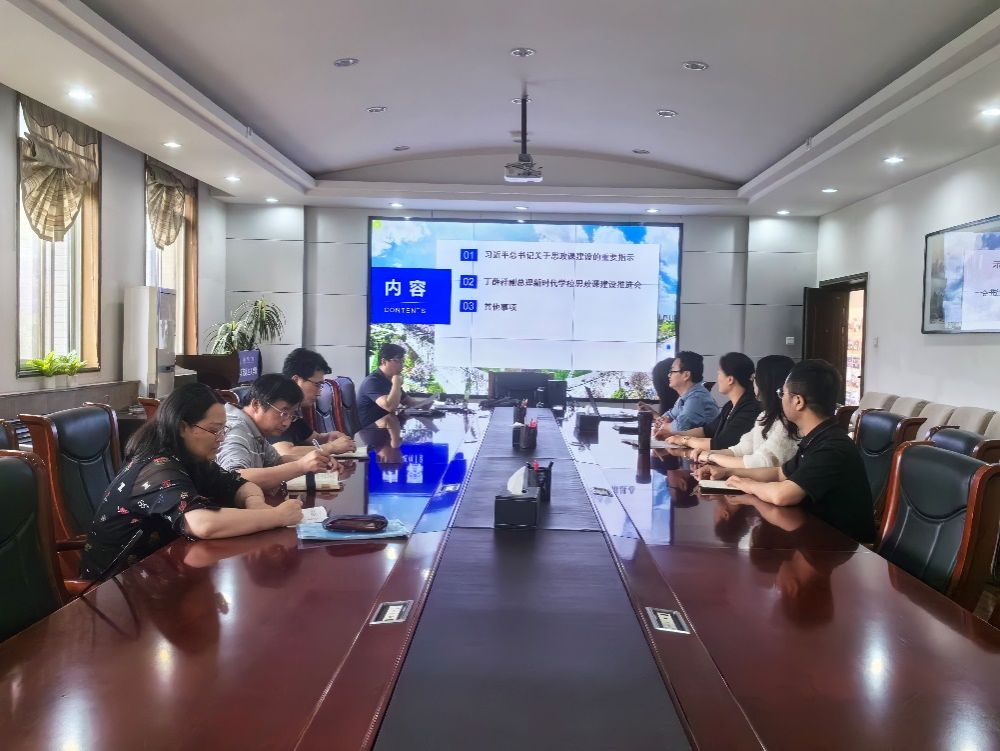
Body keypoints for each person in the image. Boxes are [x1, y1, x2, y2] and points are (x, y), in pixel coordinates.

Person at [79, 383, 303, 580]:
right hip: (115, 588)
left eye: (223, 430)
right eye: (214, 430)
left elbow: (241, 484)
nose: (221, 439)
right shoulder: (156, 467)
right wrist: (277, 516)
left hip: (161, 572)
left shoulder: (194, 458)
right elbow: (202, 523)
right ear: (182, 427)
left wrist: (256, 505)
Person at [705, 359, 875, 544]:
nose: (780, 398)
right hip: (819, 536)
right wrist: (728, 472)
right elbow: (779, 473)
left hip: (844, 546)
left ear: (798, 401)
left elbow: (783, 495)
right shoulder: (816, 437)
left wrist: (748, 485)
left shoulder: (832, 446)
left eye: (782, 393)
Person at [216, 373, 336, 491]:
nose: (286, 423)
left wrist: (319, 460)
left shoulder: (253, 429)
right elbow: (234, 478)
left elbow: (276, 462)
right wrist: (301, 466)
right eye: (283, 413)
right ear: (256, 404)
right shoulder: (235, 429)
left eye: (291, 415)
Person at [690, 355, 799, 470]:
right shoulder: (764, 415)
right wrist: (709, 454)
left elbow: (762, 462)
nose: (753, 381)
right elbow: (741, 449)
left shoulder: (786, 421)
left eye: (756, 377)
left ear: (766, 382)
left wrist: (711, 456)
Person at [665, 352, 760, 451]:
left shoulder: (749, 409)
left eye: (719, 373)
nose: (717, 379)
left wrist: (684, 440)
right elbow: (707, 430)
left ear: (730, 379)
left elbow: (721, 443)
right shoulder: (730, 406)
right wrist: (674, 435)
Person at [270, 347, 356, 456]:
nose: (319, 393)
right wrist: (332, 447)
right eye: (317, 385)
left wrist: (328, 437)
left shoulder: (294, 412)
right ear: (296, 380)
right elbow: (284, 452)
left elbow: (315, 438)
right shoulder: (276, 406)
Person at [357, 343, 433, 428]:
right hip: (371, 430)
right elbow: (390, 407)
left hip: (387, 426)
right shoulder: (372, 381)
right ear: (384, 361)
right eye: (398, 361)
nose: (402, 365)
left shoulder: (390, 379)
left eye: (402, 361)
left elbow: (409, 402)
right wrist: (396, 383)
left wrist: (424, 404)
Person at [652, 350, 721, 435]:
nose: (669, 375)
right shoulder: (685, 396)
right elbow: (670, 415)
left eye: (672, 371)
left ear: (686, 375)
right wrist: (663, 420)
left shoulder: (697, 397)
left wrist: (664, 425)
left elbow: (681, 427)